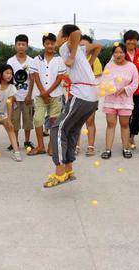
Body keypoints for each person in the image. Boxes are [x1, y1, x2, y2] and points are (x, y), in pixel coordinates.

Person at [44, 24, 101, 188]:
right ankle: (69, 170)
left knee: (57, 128)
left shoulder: (65, 47)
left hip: (81, 95)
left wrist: (72, 55)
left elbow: (76, 32)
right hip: (91, 97)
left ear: (65, 36)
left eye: (59, 33)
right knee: (71, 130)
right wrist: (89, 61)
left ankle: (59, 172)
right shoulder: (80, 49)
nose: (57, 36)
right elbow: (98, 46)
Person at [100, 43, 139, 159]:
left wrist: (124, 89)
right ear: (113, 54)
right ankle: (108, 150)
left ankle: (126, 148)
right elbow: (104, 80)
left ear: (125, 53)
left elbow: (135, 83)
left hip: (125, 101)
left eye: (121, 52)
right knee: (110, 124)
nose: (118, 55)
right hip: (111, 99)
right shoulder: (108, 66)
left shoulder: (131, 66)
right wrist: (111, 88)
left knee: (125, 124)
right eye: (116, 52)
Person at [29, 32, 66, 156]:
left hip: (56, 95)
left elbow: (59, 78)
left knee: (54, 121)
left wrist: (48, 92)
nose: (50, 46)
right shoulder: (36, 59)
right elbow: (35, 76)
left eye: (52, 43)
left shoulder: (59, 59)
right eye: (47, 43)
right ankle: (40, 146)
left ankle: (51, 146)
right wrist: (43, 93)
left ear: (55, 44)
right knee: (38, 119)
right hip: (40, 95)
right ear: (43, 44)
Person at [7, 34, 35, 151]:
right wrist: (11, 95)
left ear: (27, 46)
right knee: (15, 121)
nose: (21, 46)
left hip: (27, 97)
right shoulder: (11, 61)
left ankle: (27, 141)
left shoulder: (31, 61)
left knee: (28, 121)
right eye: (19, 44)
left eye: (23, 44)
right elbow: (8, 79)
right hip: (15, 97)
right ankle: (15, 141)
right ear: (15, 46)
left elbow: (32, 79)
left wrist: (29, 95)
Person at [76, 34, 102, 156]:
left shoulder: (95, 60)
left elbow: (97, 78)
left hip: (91, 95)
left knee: (90, 121)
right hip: (77, 94)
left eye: (86, 45)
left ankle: (90, 146)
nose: (83, 47)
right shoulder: (75, 58)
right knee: (76, 122)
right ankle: (76, 145)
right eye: (81, 45)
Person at [0, 64, 22, 161]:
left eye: (11, 74)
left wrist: (9, 119)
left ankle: (16, 152)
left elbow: (9, 103)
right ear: (1, 73)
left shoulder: (11, 87)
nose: (9, 75)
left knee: (10, 128)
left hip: (3, 112)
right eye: (7, 73)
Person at [123, 30, 139, 150]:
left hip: (137, 91)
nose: (132, 41)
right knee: (126, 115)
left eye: (134, 39)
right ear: (125, 41)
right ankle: (126, 137)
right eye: (129, 39)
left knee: (137, 115)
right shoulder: (120, 52)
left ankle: (132, 136)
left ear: (137, 41)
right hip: (124, 91)